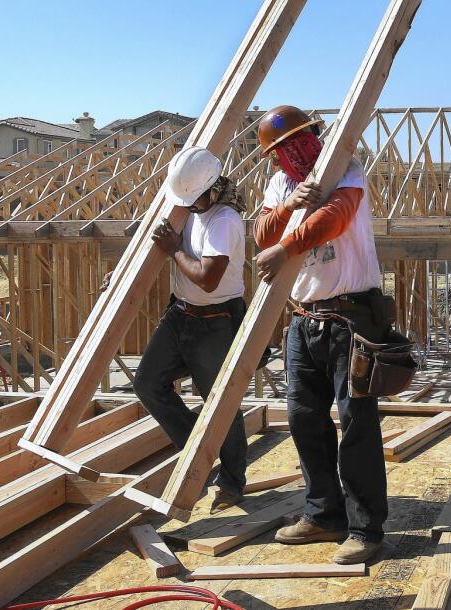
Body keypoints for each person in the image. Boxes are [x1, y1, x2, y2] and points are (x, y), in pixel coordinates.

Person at [252, 105, 389, 566]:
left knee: (357, 423)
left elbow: (335, 218)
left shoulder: (346, 169)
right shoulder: (281, 184)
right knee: (304, 419)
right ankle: (323, 515)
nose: (290, 156)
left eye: (296, 143)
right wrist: (291, 205)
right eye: (279, 152)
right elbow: (261, 232)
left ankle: (366, 528)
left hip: (351, 317)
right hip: (305, 318)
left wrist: (285, 246)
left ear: (315, 134)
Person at [132, 145, 250, 513]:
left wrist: (173, 250)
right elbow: (153, 246)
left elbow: (208, 279)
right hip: (181, 315)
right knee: (147, 383)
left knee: (221, 403)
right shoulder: (186, 208)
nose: (191, 205)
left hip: (216, 321)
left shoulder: (224, 220)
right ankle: (196, 454)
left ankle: (232, 482)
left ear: (213, 190)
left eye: (197, 199)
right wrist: (123, 280)